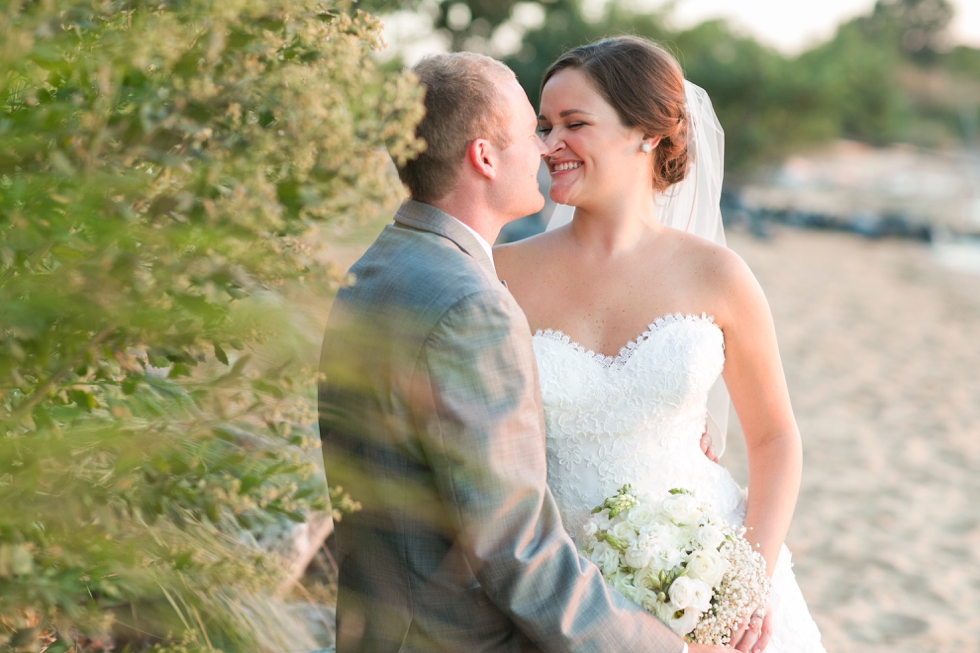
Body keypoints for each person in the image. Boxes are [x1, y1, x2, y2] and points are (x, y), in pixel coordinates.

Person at [318, 52, 729, 653]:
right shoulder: (472, 305)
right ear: (484, 157)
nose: (545, 150)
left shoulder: (379, 267)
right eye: (532, 132)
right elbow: (515, 549)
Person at [494, 37, 827, 653]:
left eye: (574, 124)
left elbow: (775, 438)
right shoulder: (501, 274)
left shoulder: (719, 276)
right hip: (566, 590)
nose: (547, 145)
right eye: (543, 127)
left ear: (646, 133)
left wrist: (745, 581)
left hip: (710, 572)